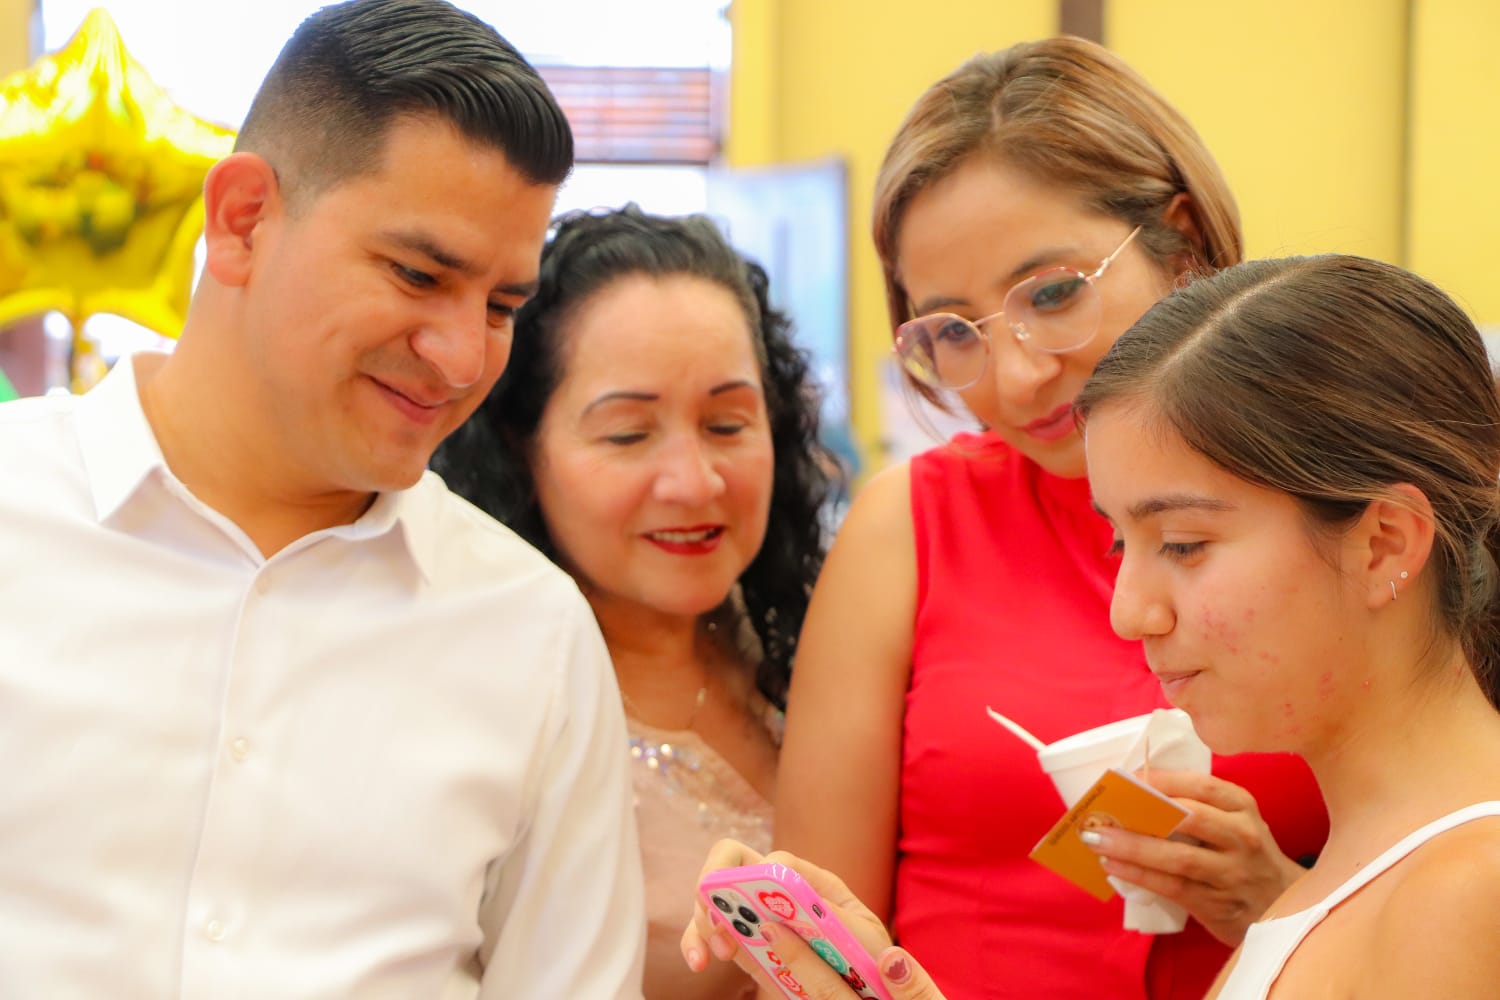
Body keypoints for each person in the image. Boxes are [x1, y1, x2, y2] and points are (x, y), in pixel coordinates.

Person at [0, 2, 645, 996]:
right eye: (418, 273)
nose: (464, 355)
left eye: (503, 306)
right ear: (244, 220)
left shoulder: (532, 634)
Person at [685, 253, 1500, 999]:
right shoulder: (1381, 863)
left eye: (1183, 544)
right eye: (1120, 543)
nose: (1127, 611)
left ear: (1385, 541)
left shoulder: (1463, 894)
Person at [774, 36, 1328, 1000]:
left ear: (1182, 243)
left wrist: (1280, 905)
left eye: (1056, 293)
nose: (1021, 375)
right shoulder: (908, 527)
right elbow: (814, 934)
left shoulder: (1337, 504)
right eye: (954, 331)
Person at [432, 204, 838, 1000]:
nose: (694, 483)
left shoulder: (818, 641)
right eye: (627, 435)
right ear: (522, 449)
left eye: (727, 423)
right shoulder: (482, 706)